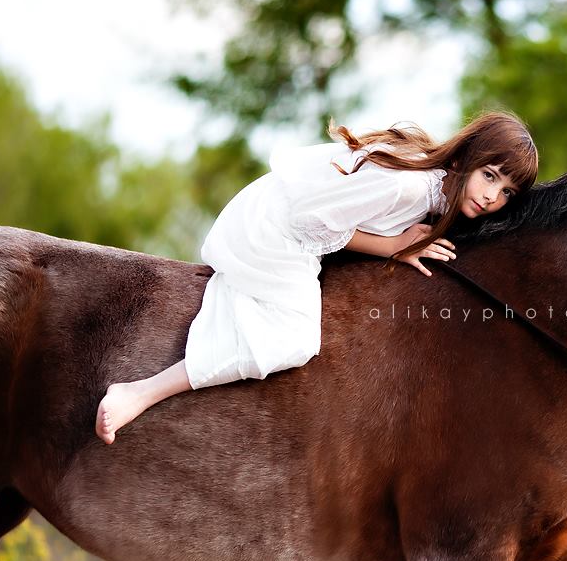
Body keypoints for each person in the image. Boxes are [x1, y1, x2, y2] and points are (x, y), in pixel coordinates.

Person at [95, 111, 539, 444]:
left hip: (295, 221)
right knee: (295, 341)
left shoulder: (443, 194)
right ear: (466, 158)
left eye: (507, 192)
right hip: (279, 226)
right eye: (490, 176)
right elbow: (313, 219)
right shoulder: (408, 187)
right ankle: (140, 392)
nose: (492, 197)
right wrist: (393, 247)